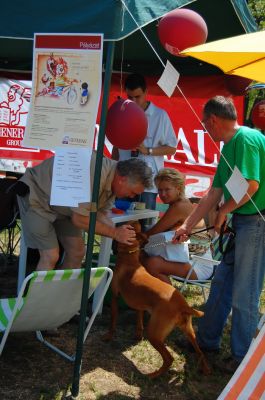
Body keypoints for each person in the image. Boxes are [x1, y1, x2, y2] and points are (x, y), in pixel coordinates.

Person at [173, 96, 265, 370]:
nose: (205, 129)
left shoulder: (246, 139)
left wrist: (224, 211)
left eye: (204, 124)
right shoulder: (228, 147)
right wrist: (187, 226)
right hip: (243, 222)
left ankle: (242, 361)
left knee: (244, 293)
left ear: (212, 120)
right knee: (222, 283)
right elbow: (213, 193)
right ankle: (205, 341)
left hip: (257, 224)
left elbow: (251, 185)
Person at [17, 152, 152, 271]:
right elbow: (79, 219)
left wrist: (119, 231)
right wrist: (115, 233)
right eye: (133, 192)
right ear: (123, 180)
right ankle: (39, 300)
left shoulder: (114, 180)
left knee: (77, 252)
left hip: (64, 208)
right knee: (51, 255)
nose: (132, 197)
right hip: (39, 198)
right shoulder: (96, 173)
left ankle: (59, 296)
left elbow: (100, 215)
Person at [112, 73, 177, 230]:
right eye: (129, 97)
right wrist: (113, 171)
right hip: (124, 180)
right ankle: (118, 253)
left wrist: (147, 150)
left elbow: (172, 148)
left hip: (148, 183)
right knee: (119, 222)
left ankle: (143, 254)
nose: (133, 101)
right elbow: (116, 146)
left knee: (146, 225)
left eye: (138, 97)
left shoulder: (160, 115)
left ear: (146, 92)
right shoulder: (122, 112)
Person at [142, 168, 213, 284]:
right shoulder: (179, 203)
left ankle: (170, 301)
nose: (163, 194)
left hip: (198, 265)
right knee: (145, 255)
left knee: (152, 263)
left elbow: (151, 234)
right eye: (160, 190)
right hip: (186, 258)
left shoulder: (179, 207)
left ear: (178, 189)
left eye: (167, 189)